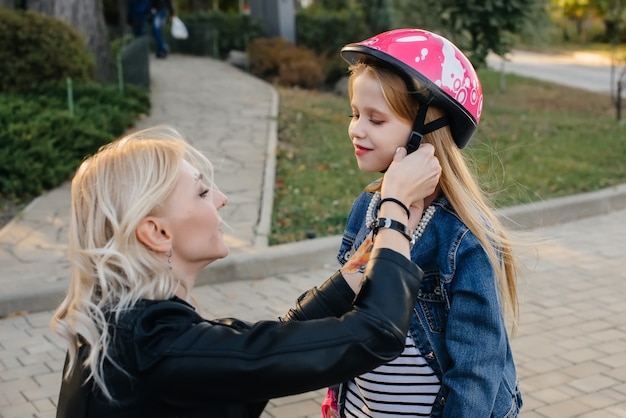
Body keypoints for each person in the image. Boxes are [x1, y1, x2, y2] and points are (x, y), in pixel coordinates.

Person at [50, 125, 442, 417]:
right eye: (202, 192)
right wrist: (395, 210)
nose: (221, 200)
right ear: (156, 232)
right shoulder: (158, 349)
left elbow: (258, 356)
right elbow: (375, 335)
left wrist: (351, 277)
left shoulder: (119, 324)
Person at [316, 28, 524, 417]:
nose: (356, 128)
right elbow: (348, 317)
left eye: (376, 120)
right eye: (355, 114)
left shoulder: (463, 238)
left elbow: (476, 371)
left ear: (424, 133)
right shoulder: (367, 207)